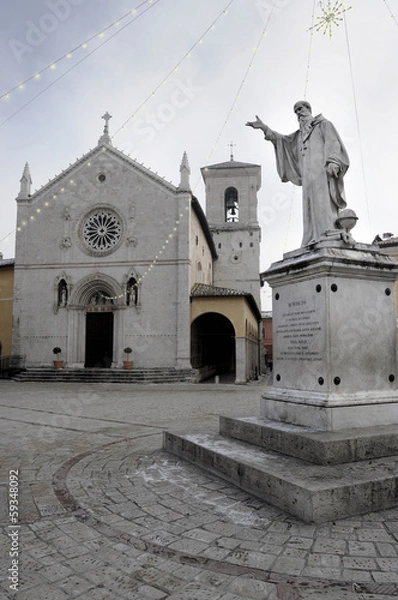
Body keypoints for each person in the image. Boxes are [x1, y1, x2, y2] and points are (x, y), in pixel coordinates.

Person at [246, 101, 349, 246]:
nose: (298, 113)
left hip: (323, 173)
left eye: (300, 109)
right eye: (296, 112)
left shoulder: (323, 125)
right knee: (309, 207)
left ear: (308, 109)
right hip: (308, 178)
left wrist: (333, 162)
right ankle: (313, 237)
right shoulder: (299, 136)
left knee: (323, 202)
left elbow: (334, 143)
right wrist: (264, 128)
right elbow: (281, 140)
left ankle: (328, 231)